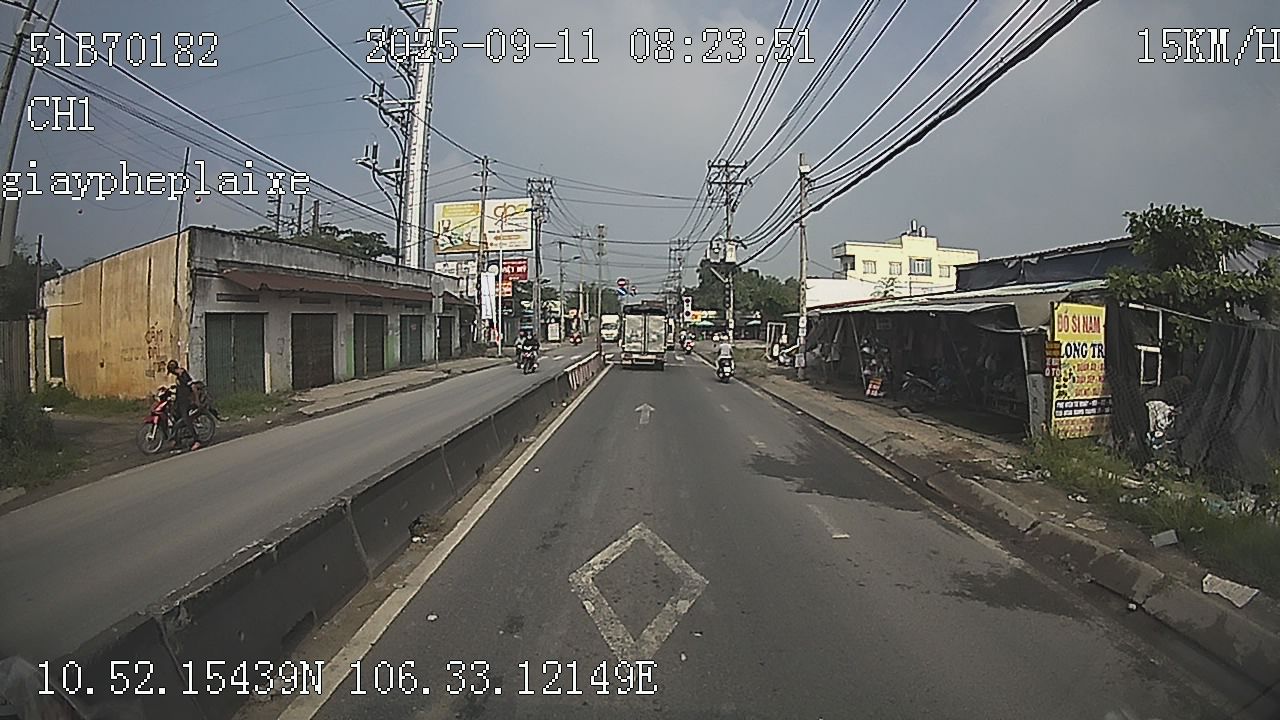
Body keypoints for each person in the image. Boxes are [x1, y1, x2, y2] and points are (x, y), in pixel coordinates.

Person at [166, 359, 201, 450]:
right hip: (179, 402)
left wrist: (196, 400)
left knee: (186, 419)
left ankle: (197, 440)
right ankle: (177, 440)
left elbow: (193, 387)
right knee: (175, 418)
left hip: (186, 401)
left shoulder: (183, 375)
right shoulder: (178, 376)